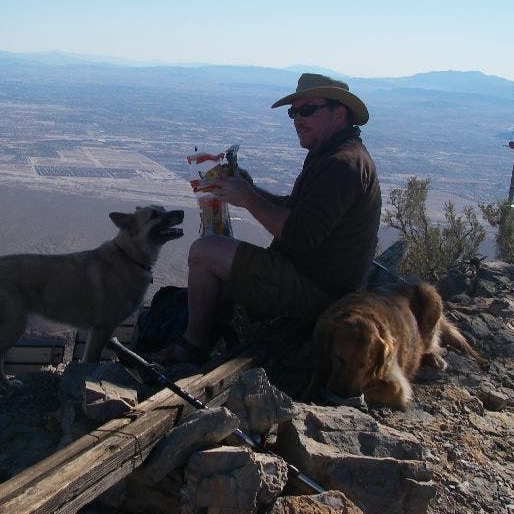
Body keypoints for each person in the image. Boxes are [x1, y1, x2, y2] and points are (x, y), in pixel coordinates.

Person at [162, 73, 382, 364]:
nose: (297, 120)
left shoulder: (342, 165)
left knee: (205, 252)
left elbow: (300, 234)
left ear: (339, 113)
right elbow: (296, 211)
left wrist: (248, 199)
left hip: (320, 293)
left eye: (307, 110)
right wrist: (251, 189)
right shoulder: (333, 155)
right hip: (316, 280)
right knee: (217, 258)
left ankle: (190, 348)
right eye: (293, 113)